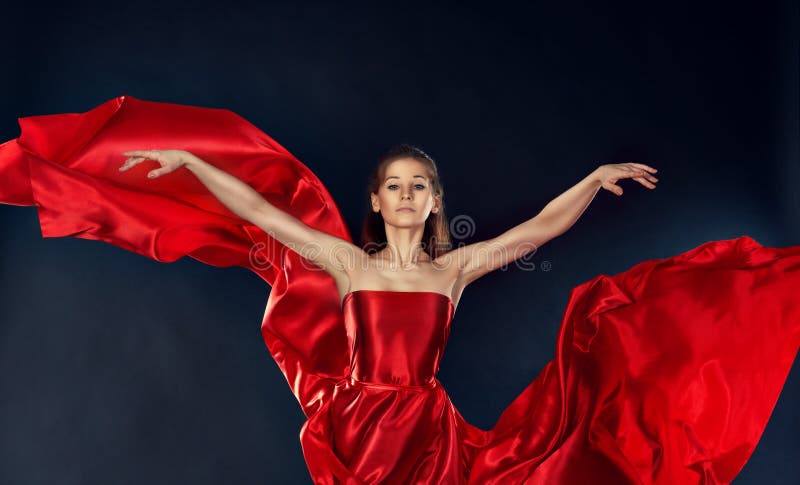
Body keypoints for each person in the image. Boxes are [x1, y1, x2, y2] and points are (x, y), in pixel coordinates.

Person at [2, 95, 799, 484]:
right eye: (396, 186)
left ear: (433, 201)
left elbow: (537, 234)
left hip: (426, 431)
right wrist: (192, 165)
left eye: (422, 186)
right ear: (378, 202)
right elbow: (260, 211)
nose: (410, 196)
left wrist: (592, 178)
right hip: (356, 424)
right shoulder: (347, 264)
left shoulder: (451, 272)